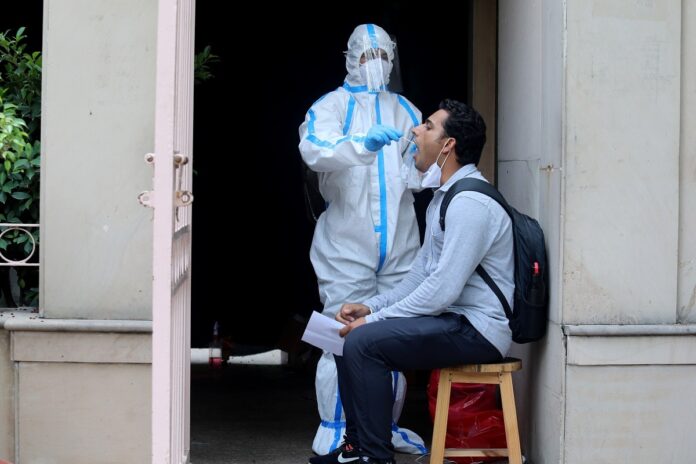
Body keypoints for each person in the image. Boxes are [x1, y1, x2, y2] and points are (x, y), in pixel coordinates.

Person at [312, 99, 515, 464]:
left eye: (428, 127)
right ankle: (356, 447)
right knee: (344, 337)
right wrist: (370, 307)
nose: (416, 131)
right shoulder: (444, 197)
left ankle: (375, 456)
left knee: (364, 342)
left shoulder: (470, 202)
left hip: (477, 330)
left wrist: (372, 322)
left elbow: (442, 291)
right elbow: (420, 277)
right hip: (452, 320)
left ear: (448, 145)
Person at [298, 24, 426, 458]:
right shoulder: (330, 106)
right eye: (369, 56)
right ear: (351, 59)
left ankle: (383, 427)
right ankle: (335, 425)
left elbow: (419, 169)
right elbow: (315, 150)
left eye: (384, 56)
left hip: (401, 245)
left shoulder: (406, 110)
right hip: (345, 246)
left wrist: (419, 167)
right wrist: (361, 144)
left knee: (391, 338)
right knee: (340, 336)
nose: (377, 64)